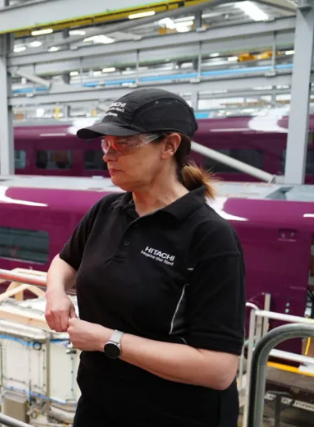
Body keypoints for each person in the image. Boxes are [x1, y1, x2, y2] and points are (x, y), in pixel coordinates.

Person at [44, 88, 246, 427]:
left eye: (123, 144)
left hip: (173, 415)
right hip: (98, 405)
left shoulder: (210, 237)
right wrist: (56, 293)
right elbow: (65, 262)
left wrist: (108, 340)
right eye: (106, 143)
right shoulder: (107, 210)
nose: (108, 155)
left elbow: (219, 369)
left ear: (169, 146)